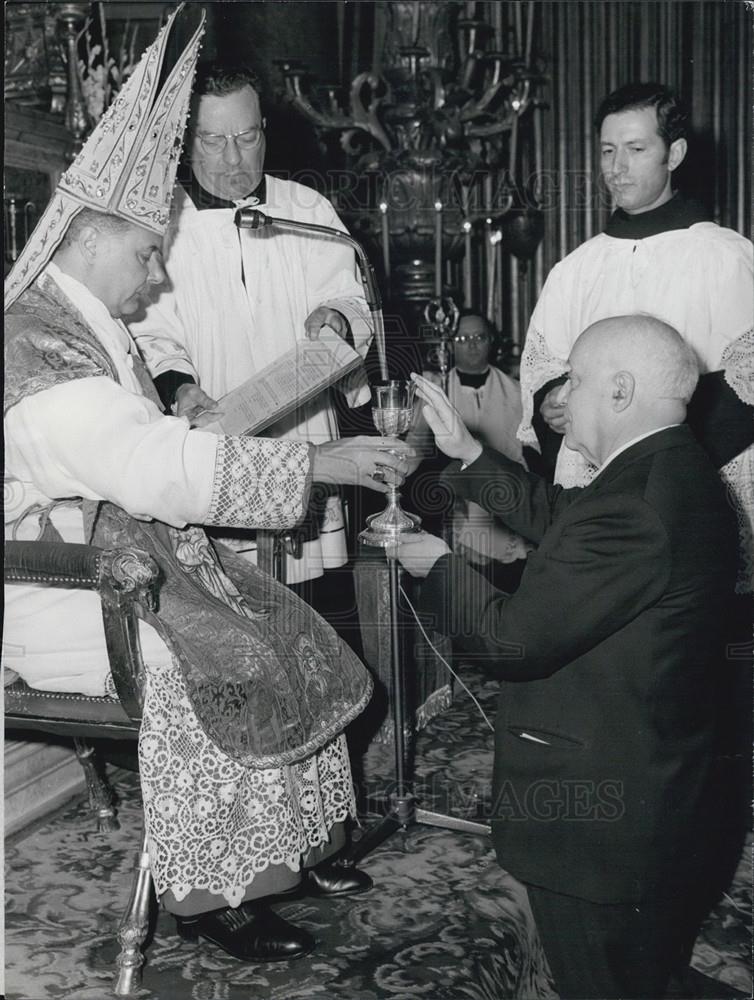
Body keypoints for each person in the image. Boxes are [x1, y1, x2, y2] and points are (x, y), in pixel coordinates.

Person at [4, 9, 413, 964]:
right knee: (222, 649)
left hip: (120, 549)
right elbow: (150, 458)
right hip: (59, 587)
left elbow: (142, 455)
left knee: (280, 615)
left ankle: (292, 851)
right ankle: (209, 893)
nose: (154, 278)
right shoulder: (39, 346)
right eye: (149, 256)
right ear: (104, 237)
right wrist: (314, 465)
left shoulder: (77, 315)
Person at [392, 315, 738, 999]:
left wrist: (436, 566)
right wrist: (466, 453)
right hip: (657, 789)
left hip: (601, 827)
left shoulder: (638, 501)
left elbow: (508, 640)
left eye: (573, 381)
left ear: (619, 391)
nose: (557, 399)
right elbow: (559, 516)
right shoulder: (669, 468)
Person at [128, 63, 373, 649]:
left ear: (265, 130)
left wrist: (336, 318)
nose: (233, 158)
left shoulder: (306, 209)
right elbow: (149, 332)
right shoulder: (161, 226)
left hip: (304, 443)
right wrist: (181, 387)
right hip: (212, 445)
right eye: (213, 141)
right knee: (235, 640)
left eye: (246, 137)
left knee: (320, 630)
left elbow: (349, 297)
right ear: (186, 141)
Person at [518, 82, 753, 591]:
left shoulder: (725, 258)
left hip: (697, 487)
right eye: (607, 150)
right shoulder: (575, 269)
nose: (616, 167)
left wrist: (658, 463)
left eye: (636, 149)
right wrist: (551, 404)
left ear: (676, 154)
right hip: (594, 493)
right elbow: (541, 373)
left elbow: (747, 385)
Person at [444, 311, 532, 590]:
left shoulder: (517, 392)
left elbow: (531, 453)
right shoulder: (437, 390)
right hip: (456, 504)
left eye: (479, 337)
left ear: (491, 341)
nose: (471, 344)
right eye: (462, 338)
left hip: (508, 498)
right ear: (449, 344)